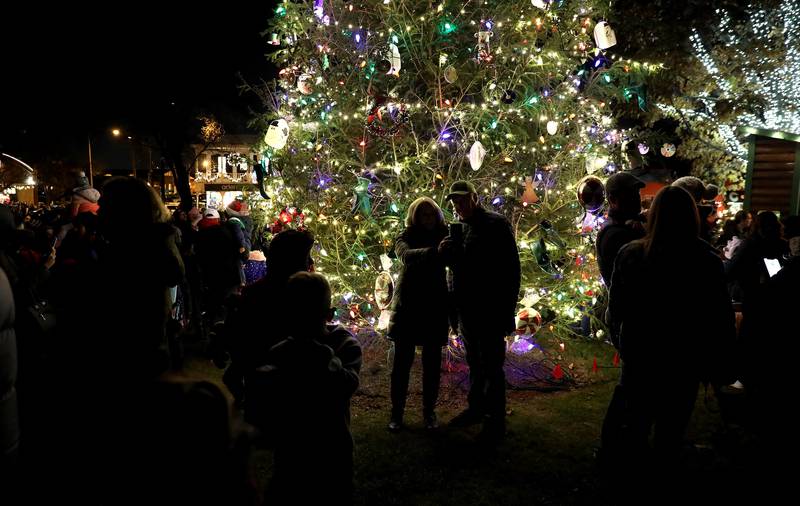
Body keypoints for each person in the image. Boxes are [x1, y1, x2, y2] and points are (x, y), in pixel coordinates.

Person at [605, 186, 735, 462]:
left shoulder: (633, 254)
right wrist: (718, 359)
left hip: (642, 353)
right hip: (685, 358)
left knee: (636, 423)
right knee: (671, 428)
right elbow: (719, 316)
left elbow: (616, 308)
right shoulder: (706, 261)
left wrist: (623, 342)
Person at [246, 272, 362, 504]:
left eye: (311, 318)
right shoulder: (281, 350)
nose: (304, 326)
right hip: (292, 450)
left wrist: (321, 356)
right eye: (299, 317)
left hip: (332, 450)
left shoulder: (343, 345)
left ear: (328, 316)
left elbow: (347, 384)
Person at [440, 181, 520, 441]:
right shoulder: (459, 229)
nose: (459, 205)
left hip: (490, 307)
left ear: (474, 198)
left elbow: (510, 269)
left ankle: (495, 420)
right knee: (474, 362)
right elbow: (455, 271)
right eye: (455, 202)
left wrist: (507, 309)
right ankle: (476, 409)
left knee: (492, 365)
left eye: (463, 200)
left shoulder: (495, 225)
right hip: (466, 308)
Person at [223, 229, 315, 406]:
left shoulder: (254, 294)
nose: (310, 262)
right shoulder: (302, 298)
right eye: (306, 257)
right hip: (273, 393)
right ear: (291, 260)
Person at [387, 197, 449, 432]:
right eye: (423, 215)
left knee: (432, 364)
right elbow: (405, 255)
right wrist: (435, 253)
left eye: (431, 214)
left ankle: (429, 412)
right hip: (409, 306)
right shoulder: (405, 236)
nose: (428, 219)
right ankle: (397, 413)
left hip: (434, 306)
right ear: (415, 217)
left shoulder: (446, 235)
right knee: (402, 364)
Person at [596, 172, 646, 286]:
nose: (637, 199)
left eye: (637, 193)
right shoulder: (615, 235)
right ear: (613, 200)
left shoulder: (627, 223)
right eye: (630, 196)